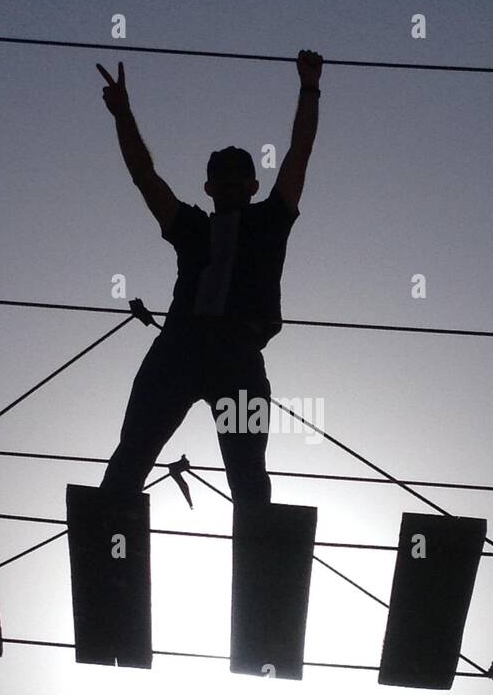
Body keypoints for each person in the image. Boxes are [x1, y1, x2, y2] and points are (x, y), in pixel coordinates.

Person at [96, 49, 323, 508]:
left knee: (248, 476)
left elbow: (299, 154)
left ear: (253, 187)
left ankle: (261, 560)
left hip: (238, 357)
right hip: (178, 350)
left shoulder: (270, 220)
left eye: (240, 180)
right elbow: (145, 176)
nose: (232, 186)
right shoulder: (193, 227)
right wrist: (123, 114)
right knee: (133, 455)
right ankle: (107, 531)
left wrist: (309, 88)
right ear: (209, 188)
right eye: (223, 180)